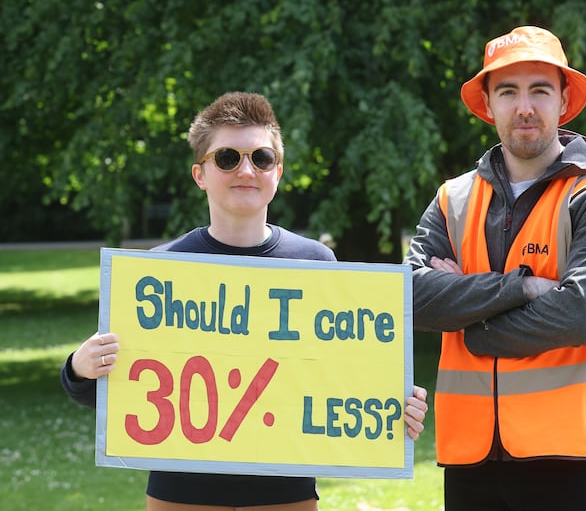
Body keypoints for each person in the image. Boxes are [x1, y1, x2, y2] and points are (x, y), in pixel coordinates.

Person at [61, 91, 429, 511]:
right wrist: (79, 367)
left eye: (262, 157)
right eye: (227, 158)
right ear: (200, 174)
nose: (246, 169)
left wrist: (392, 401)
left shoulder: (316, 263)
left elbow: (340, 376)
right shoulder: (160, 271)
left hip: (285, 495)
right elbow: (114, 393)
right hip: (180, 494)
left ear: (279, 171)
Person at [404, 26, 586, 511]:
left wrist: (472, 328)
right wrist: (524, 287)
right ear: (488, 105)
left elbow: (581, 314)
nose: (525, 107)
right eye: (508, 92)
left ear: (563, 103)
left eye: (540, 90)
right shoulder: (453, 199)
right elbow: (409, 295)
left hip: (579, 457)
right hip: (472, 461)